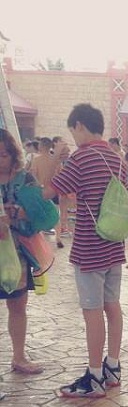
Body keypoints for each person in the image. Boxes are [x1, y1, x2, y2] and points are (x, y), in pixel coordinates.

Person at [42, 103, 127, 398]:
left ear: (79, 125)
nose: (73, 138)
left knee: (92, 311)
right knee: (112, 306)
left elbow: (47, 191)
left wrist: (55, 157)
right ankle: (113, 367)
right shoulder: (117, 158)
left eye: (72, 132)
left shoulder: (81, 157)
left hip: (90, 247)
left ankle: (94, 377)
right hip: (114, 245)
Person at [0, 127, 44, 374]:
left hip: (17, 252)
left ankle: (18, 356)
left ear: (13, 154)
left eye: (3, 155)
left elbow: (41, 213)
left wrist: (16, 213)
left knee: (17, 305)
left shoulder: (25, 179)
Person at [29, 136, 64, 248]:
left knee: (38, 214)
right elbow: (61, 175)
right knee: (55, 215)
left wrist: (38, 184)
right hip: (54, 190)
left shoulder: (36, 160)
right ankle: (58, 238)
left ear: (41, 146)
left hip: (41, 191)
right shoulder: (56, 160)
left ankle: (39, 240)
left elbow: (33, 175)